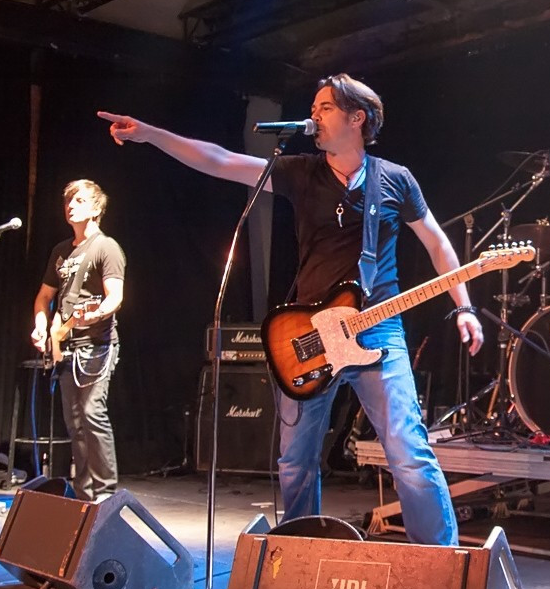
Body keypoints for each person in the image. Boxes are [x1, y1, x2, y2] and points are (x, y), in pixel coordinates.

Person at [96, 75, 483, 546]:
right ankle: (301, 554)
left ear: (357, 117)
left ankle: (440, 559)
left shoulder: (395, 179)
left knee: (408, 451)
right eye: (313, 108)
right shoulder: (301, 172)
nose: (313, 116)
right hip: (309, 333)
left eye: (325, 108)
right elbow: (220, 160)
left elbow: (437, 243)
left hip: (378, 329)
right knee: (295, 461)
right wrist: (151, 134)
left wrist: (465, 307)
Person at [31, 179, 126, 502]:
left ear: (96, 208)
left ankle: (105, 494)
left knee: (92, 413)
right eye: (68, 201)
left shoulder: (106, 247)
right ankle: (84, 496)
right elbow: (44, 297)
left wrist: (97, 313)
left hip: (97, 344)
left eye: (80, 200)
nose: (71, 206)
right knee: (74, 423)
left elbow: (115, 297)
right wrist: (41, 326)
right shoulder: (60, 251)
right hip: (66, 347)